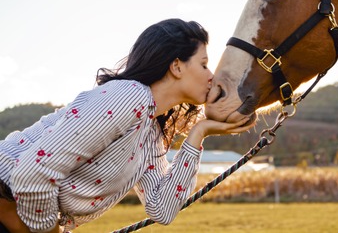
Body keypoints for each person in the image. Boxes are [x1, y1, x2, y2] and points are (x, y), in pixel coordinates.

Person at [0, 18, 255, 233]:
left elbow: (162, 209)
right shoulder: (129, 96)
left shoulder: (150, 132)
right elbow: (32, 173)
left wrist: (200, 132)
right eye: (203, 64)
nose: (211, 75)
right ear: (176, 66)